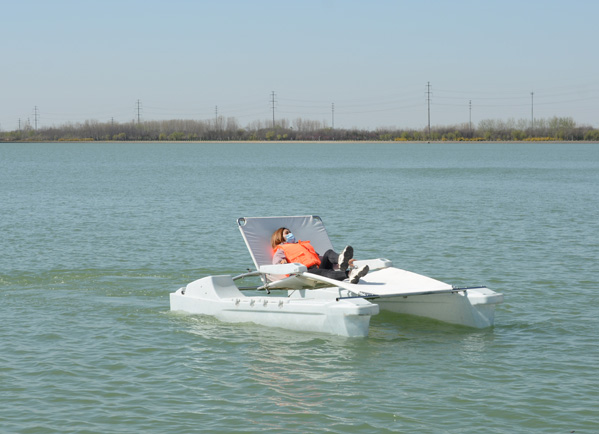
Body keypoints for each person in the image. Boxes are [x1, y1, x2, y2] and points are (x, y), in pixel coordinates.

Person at [270, 227, 369, 284]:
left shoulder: (301, 245)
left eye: (290, 232)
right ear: (279, 237)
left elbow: (319, 258)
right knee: (324, 272)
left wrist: (345, 263)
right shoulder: (281, 249)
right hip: (304, 272)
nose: (290, 234)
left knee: (328, 252)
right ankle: (350, 274)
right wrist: (282, 263)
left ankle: (340, 259)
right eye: (287, 233)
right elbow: (276, 262)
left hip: (317, 267)